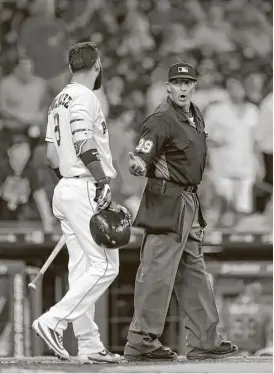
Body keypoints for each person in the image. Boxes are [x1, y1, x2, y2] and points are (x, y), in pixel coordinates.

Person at [124, 62, 238, 361]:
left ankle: (205, 341)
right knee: (157, 274)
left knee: (194, 272)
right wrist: (138, 163)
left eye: (188, 82)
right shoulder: (161, 118)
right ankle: (141, 341)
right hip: (166, 201)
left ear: (194, 86)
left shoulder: (194, 115)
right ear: (168, 87)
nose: (183, 88)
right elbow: (143, 152)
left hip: (188, 201)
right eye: (177, 82)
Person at [32, 41, 121, 364]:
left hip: (66, 187)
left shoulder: (59, 98)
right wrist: (99, 180)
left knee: (82, 268)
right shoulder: (86, 97)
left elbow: (51, 155)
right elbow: (83, 139)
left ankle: (88, 342)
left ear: (71, 68)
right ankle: (53, 320)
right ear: (97, 66)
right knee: (106, 266)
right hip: (84, 184)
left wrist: (69, 187)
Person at [204, 76, 260, 228]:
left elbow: (256, 142)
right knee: (223, 210)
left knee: (244, 211)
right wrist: (215, 142)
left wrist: (260, 165)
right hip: (222, 168)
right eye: (231, 87)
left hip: (246, 169)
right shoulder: (216, 111)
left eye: (239, 87)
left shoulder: (253, 111)